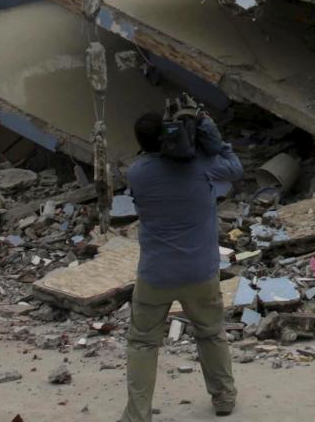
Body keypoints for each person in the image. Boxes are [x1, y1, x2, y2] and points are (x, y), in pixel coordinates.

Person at [120, 108, 243, 421]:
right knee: (211, 332)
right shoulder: (203, 165)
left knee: (143, 343)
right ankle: (224, 398)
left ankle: (137, 414)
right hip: (199, 271)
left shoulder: (137, 172)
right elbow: (235, 168)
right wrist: (214, 141)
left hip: (155, 274)